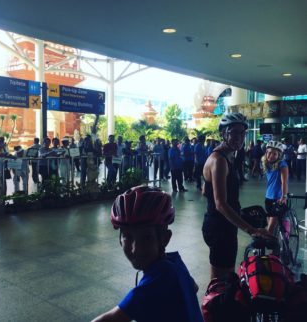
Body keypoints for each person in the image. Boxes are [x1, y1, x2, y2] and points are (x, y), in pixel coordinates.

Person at [91, 186, 204, 322]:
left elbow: (110, 320)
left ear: (165, 239)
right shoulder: (173, 261)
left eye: (146, 238)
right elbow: (194, 287)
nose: (135, 249)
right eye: (127, 236)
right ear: (119, 239)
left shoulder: (156, 283)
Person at [202, 113, 273, 279]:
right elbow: (220, 203)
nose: (240, 137)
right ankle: (214, 305)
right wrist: (251, 230)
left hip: (223, 224)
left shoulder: (227, 156)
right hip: (219, 227)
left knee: (225, 276)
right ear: (223, 134)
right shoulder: (219, 160)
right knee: (221, 279)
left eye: (243, 133)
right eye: (234, 132)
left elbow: (206, 191)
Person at [262, 141, 289, 234]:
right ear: (266, 153)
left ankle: (273, 248)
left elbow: (284, 182)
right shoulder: (266, 164)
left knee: (270, 229)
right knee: (270, 227)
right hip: (268, 198)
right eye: (269, 152)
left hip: (278, 199)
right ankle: (275, 244)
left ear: (279, 155)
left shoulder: (282, 165)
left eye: (274, 154)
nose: (271, 155)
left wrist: (284, 196)